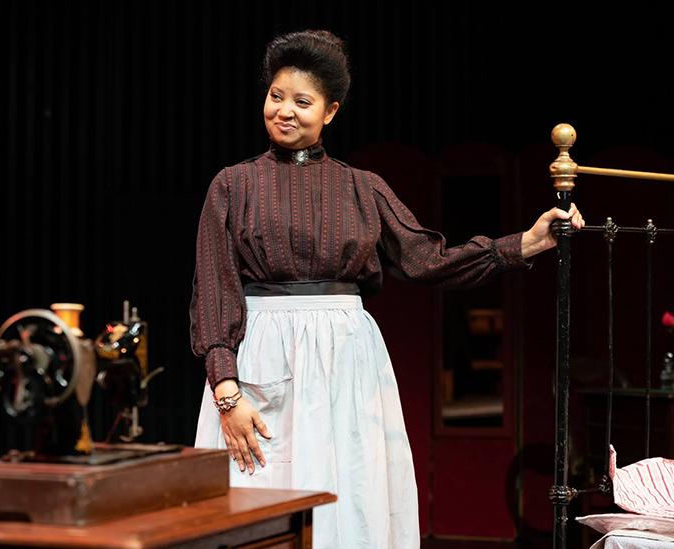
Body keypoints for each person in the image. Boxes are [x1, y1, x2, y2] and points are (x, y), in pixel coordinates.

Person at [189, 29, 584, 549]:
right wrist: (226, 392)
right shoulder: (232, 185)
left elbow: (426, 261)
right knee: (257, 498)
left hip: (347, 361)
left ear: (330, 111)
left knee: (350, 497)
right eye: (276, 96)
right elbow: (214, 290)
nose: (284, 111)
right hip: (261, 357)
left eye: (302, 102)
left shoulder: (362, 186)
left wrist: (524, 243)